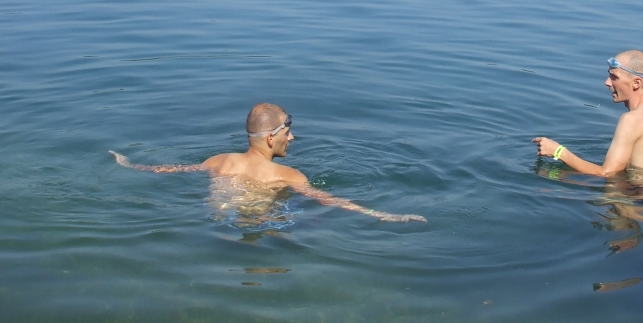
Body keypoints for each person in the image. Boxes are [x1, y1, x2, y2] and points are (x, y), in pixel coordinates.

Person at [111, 102, 425, 223]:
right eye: (288, 132)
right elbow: (331, 201)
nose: (293, 137)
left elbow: (170, 169)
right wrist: (380, 214)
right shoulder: (287, 175)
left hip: (215, 218)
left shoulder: (218, 161)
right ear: (272, 138)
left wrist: (129, 165)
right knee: (303, 219)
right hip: (260, 220)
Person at [534, 50, 643, 184]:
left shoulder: (632, 120)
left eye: (614, 77)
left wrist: (558, 151)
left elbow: (606, 173)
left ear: (636, 83)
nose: (607, 82)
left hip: (635, 200)